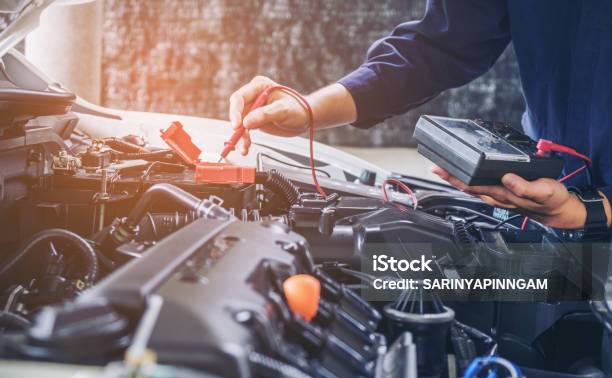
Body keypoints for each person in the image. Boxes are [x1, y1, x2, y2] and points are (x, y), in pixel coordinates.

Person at [227, 0, 612, 232]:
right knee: (401, 272)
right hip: (541, 204)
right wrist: (308, 109)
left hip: (577, 210)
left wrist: (594, 209)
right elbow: (440, 44)